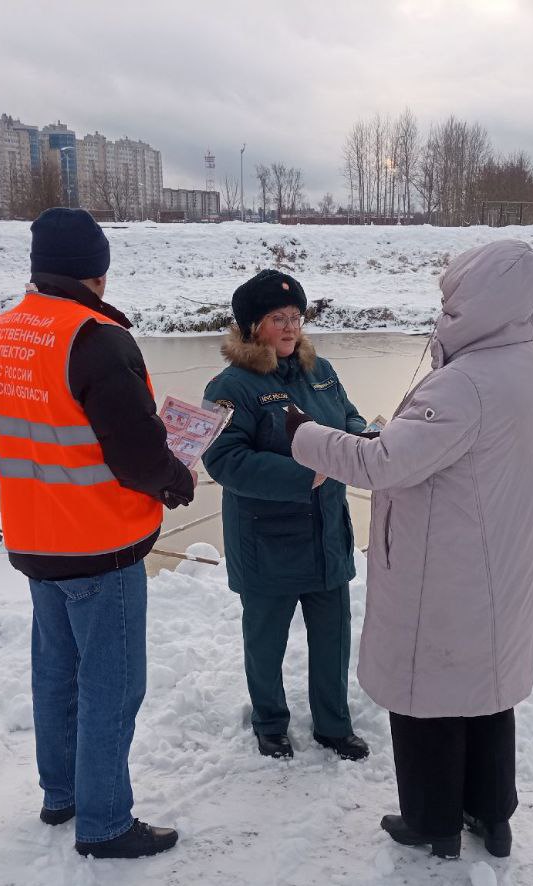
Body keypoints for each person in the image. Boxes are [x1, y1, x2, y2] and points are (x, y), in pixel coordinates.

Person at [286, 240, 533, 859]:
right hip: (499, 565)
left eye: (452, 299)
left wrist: (302, 433)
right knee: (486, 695)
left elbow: (381, 464)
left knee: (427, 695)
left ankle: (432, 821)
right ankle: (492, 816)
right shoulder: (528, 364)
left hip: (447, 573)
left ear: (478, 301)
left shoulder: (466, 383)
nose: (444, 307)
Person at [0, 208, 196, 859]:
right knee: (112, 684)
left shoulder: (4, 331)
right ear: (97, 270)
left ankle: (62, 793)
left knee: (57, 671)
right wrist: (173, 476)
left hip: (35, 537)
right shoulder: (95, 337)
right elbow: (133, 452)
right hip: (98, 543)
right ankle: (103, 822)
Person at [202, 270, 371, 763]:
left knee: (333, 639)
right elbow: (224, 460)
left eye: (296, 316)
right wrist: (306, 473)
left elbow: (348, 417)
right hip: (267, 544)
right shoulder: (231, 385)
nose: (291, 326)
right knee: (266, 643)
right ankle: (270, 723)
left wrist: (366, 437)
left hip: (326, 536)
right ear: (254, 326)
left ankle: (334, 725)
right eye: (279, 318)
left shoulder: (321, 372)